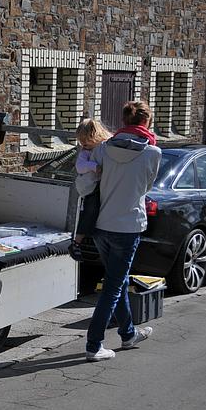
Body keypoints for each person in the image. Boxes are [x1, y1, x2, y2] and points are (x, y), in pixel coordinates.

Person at [78, 101, 161, 362]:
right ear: (146, 122)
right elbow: (146, 187)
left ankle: (127, 334)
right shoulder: (153, 153)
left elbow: (91, 181)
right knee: (113, 286)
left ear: (124, 121)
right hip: (128, 227)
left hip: (102, 225)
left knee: (118, 279)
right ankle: (94, 345)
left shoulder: (103, 148)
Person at [72, 119, 113, 249]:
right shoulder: (85, 152)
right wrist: (93, 166)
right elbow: (80, 167)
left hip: (105, 185)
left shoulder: (107, 146)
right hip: (92, 188)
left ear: (96, 136)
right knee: (90, 209)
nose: (83, 144)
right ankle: (78, 240)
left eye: (86, 140)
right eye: (80, 141)